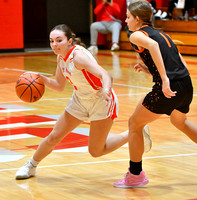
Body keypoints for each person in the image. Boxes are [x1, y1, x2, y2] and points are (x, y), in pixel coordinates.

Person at [15, 24, 152, 180]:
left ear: (69, 41)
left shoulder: (78, 57)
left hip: (101, 100)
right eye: (52, 41)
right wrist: (40, 78)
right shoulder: (61, 57)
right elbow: (59, 86)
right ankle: (31, 166)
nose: (55, 45)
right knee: (54, 136)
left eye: (59, 40)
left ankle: (134, 132)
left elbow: (105, 75)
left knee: (96, 151)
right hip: (80, 99)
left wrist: (106, 90)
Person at [113, 0, 197, 188]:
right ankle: (135, 174)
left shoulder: (136, 35)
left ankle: (135, 176)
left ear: (137, 18)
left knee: (134, 124)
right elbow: (178, 59)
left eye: (128, 17)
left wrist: (165, 80)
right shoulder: (161, 33)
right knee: (179, 121)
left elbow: (154, 47)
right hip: (185, 84)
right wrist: (151, 70)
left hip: (169, 87)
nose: (126, 21)